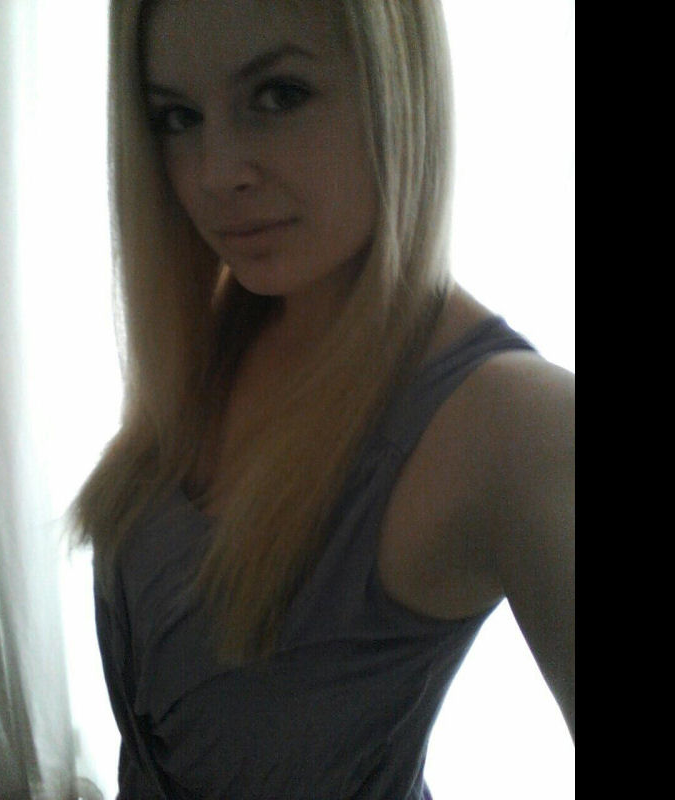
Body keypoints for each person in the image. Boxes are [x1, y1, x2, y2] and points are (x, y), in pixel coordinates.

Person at [71, 1, 574, 797]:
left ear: (398, 85)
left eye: (279, 95)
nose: (215, 173)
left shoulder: (517, 425)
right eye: (177, 117)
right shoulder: (219, 331)